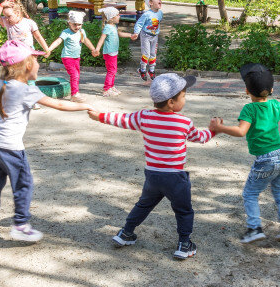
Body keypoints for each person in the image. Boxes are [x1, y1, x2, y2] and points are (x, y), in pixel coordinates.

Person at [0, 40, 94, 242]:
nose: (38, 64)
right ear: (27, 65)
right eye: (35, 60)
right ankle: (21, 225)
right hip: (10, 148)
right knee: (23, 184)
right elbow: (59, 104)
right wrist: (86, 106)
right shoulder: (27, 90)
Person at [87, 73, 214, 260]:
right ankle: (184, 244)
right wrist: (213, 130)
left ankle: (126, 232)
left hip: (153, 176)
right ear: (171, 102)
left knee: (143, 205)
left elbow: (121, 119)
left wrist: (100, 116)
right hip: (175, 177)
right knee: (184, 210)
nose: (185, 100)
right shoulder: (184, 122)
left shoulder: (143, 117)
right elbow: (200, 138)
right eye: (184, 96)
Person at [209, 63, 280, 244]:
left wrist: (220, 128)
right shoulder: (276, 105)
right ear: (272, 89)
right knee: (279, 188)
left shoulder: (249, 109)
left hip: (265, 159)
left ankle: (254, 228)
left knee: (250, 194)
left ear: (246, 91)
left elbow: (241, 132)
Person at [47, 10, 97, 103]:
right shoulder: (66, 32)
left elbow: (85, 40)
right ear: (69, 23)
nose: (77, 27)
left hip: (76, 57)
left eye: (79, 24)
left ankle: (76, 92)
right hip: (67, 57)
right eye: (75, 24)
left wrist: (93, 49)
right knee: (74, 74)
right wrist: (49, 49)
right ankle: (74, 94)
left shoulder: (81, 32)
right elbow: (58, 41)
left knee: (77, 75)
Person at [92, 7, 133, 97]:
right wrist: (97, 49)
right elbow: (101, 39)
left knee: (113, 70)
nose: (119, 16)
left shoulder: (113, 26)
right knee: (111, 71)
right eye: (117, 15)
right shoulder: (107, 27)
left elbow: (120, 34)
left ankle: (111, 86)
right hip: (109, 53)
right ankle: (106, 89)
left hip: (113, 52)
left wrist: (130, 35)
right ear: (111, 18)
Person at [132, 0, 163, 81]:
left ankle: (152, 70)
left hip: (154, 37)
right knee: (146, 54)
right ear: (150, 3)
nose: (159, 0)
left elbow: (158, 23)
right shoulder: (147, 14)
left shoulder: (160, 13)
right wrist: (136, 33)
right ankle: (142, 69)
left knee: (153, 53)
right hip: (145, 35)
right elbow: (139, 24)